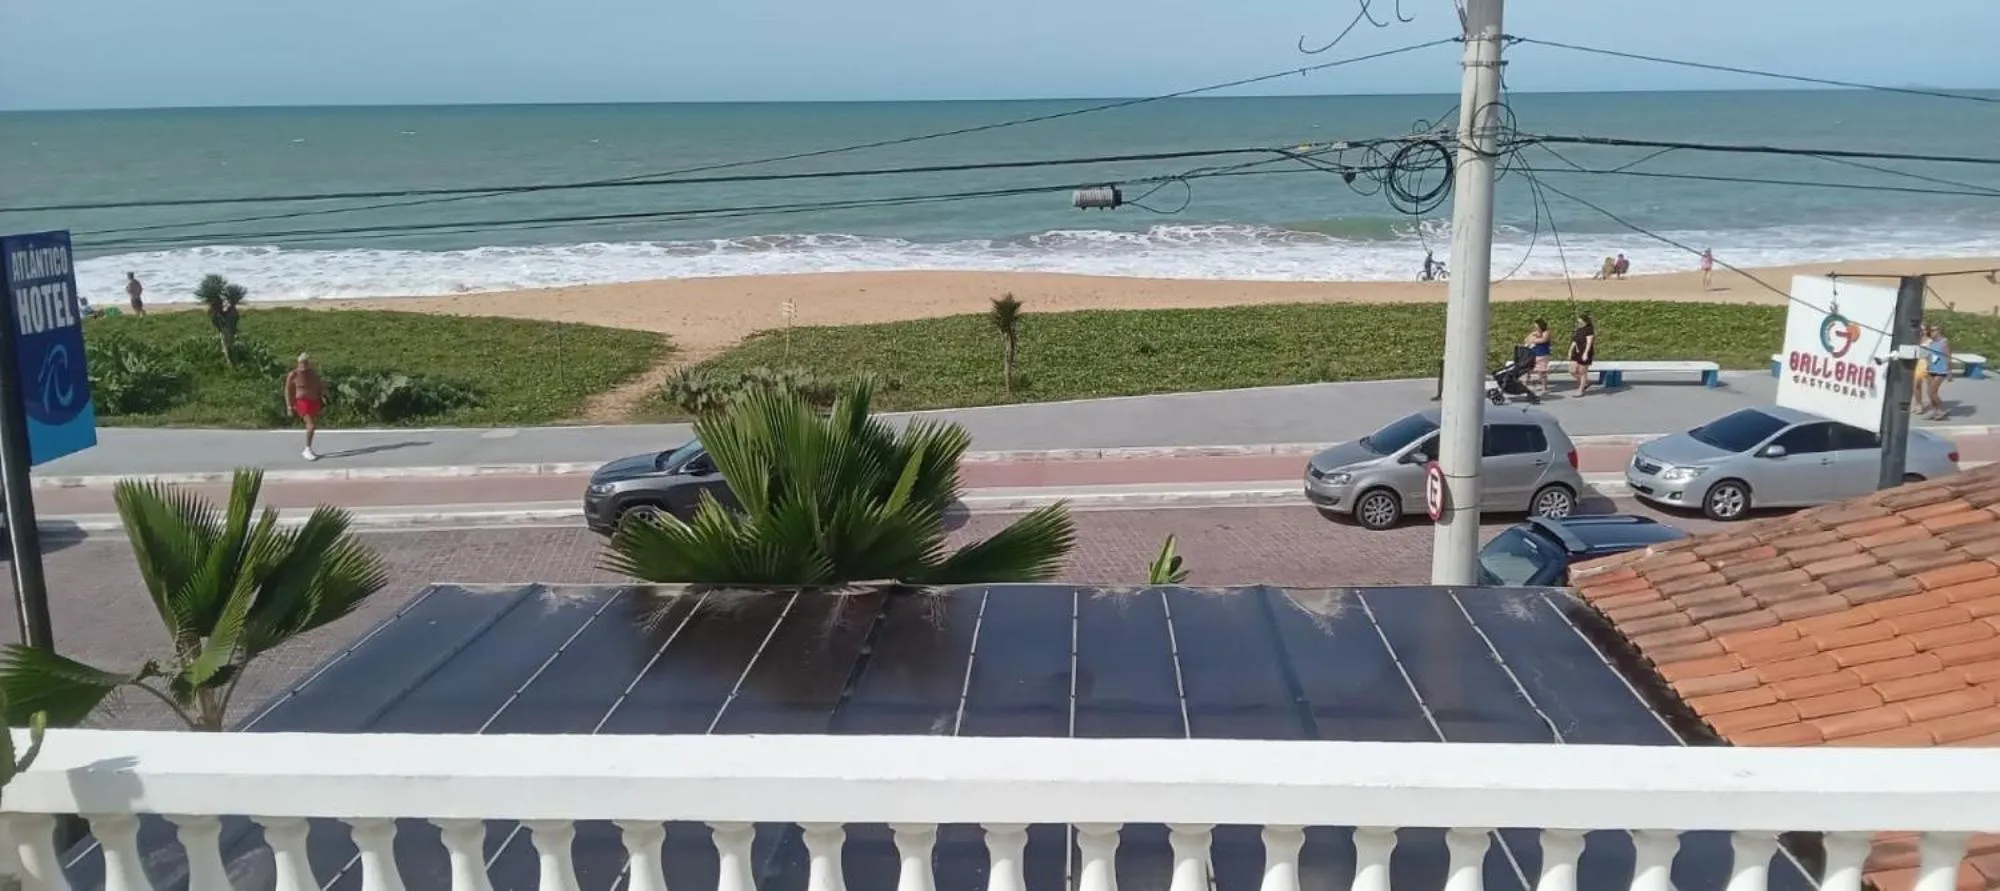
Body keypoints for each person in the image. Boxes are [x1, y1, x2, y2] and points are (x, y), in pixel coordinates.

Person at [284, 353, 326, 461]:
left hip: (314, 401)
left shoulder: (313, 374)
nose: (304, 366)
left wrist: (322, 397)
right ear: (298, 363)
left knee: (311, 426)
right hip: (302, 403)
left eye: (306, 363)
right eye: (302, 363)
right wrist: (289, 406)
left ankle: (309, 447)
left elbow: (319, 386)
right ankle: (307, 449)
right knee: (311, 426)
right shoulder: (293, 374)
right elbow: (288, 391)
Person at [1923, 326, 1952, 421]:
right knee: (1929, 392)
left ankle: (1941, 410)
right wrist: (1927, 367)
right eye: (1930, 330)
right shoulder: (1931, 342)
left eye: (1933, 330)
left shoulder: (1944, 342)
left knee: (1933, 392)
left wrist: (1949, 371)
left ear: (1939, 331)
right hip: (1932, 369)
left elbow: (1948, 357)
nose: (1930, 332)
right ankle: (1935, 410)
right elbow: (1929, 356)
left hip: (1941, 370)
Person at [1568, 314, 1597, 396]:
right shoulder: (1578, 329)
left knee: (1582, 372)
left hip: (1584, 352)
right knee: (1572, 370)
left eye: (1580, 321)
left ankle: (1581, 390)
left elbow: (1589, 342)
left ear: (1585, 321)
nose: (1579, 322)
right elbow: (1574, 341)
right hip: (1576, 351)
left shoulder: (1589, 329)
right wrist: (1570, 351)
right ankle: (1585, 383)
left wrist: (1585, 353)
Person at [1524, 319, 1553, 394]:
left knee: (1542, 372)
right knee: (1527, 370)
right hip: (1532, 354)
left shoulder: (1546, 332)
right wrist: (1532, 339)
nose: (1535, 327)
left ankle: (1544, 388)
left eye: (1537, 326)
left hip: (1542, 354)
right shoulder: (1534, 333)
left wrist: (1533, 339)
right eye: (1535, 326)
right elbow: (1526, 340)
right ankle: (1524, 385)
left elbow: (1543, 340)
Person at [1912, 325, 1936, 416]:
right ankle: (1919, 405)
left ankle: (1935, 406)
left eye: (1923, 329)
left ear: (1926, 331)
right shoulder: (1915, 340)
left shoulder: (1930, 341)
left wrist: (1932, 365)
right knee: (1916, 385)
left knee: (1930, 387)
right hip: (1918, 363)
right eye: (1919, 329)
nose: (1921, 331)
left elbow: (1934, 354)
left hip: (1928, 363)